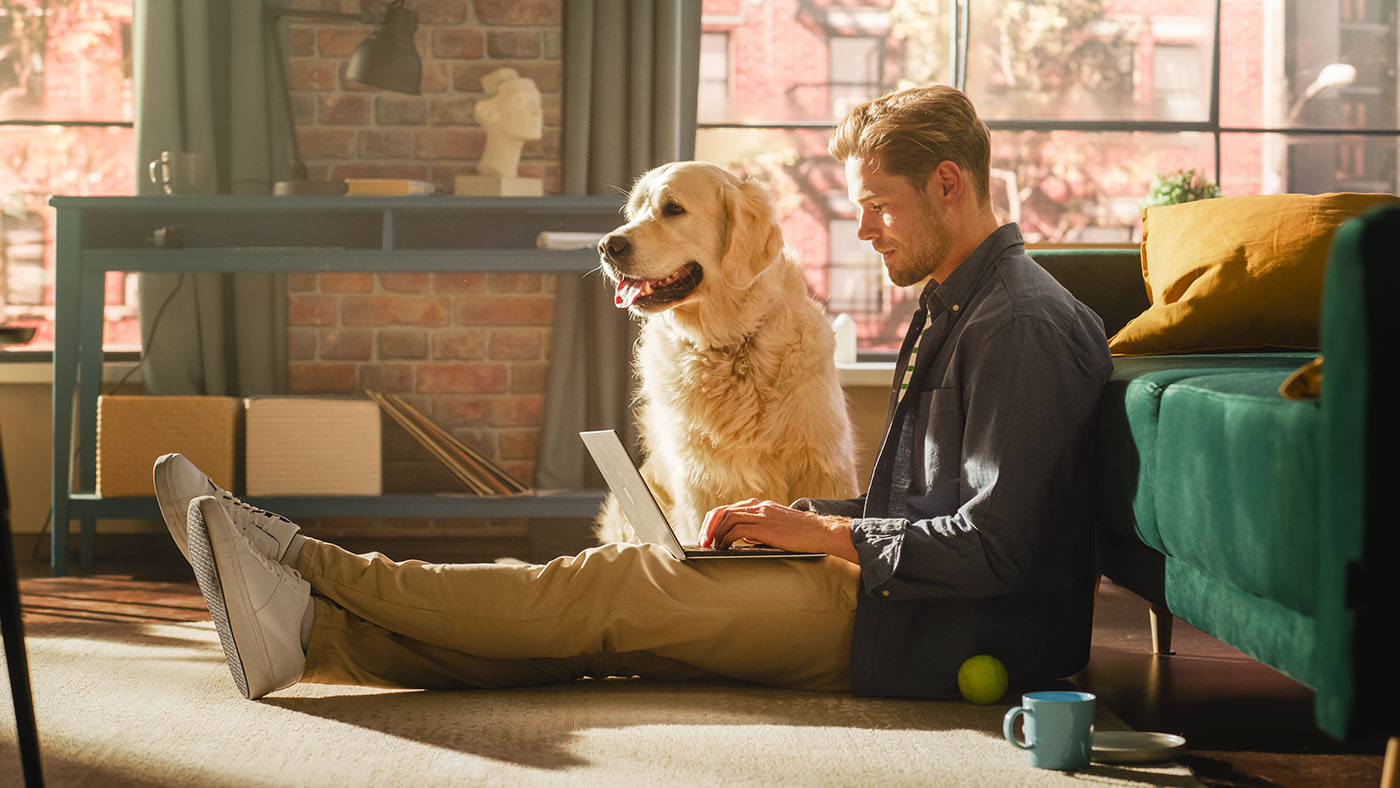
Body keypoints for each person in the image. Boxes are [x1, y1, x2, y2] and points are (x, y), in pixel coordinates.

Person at [154, 84, 1111, 702]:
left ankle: (309, 565)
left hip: (925, 631)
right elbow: (930, 510)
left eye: (878, 206)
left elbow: (996, 548)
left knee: (615, 588)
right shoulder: (962, 304)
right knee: (607, 626)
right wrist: (804, 516)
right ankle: (319, 639)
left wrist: (824, 536)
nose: (862, 230)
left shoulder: (1015, 324)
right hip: (894, 598)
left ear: (950, 185)